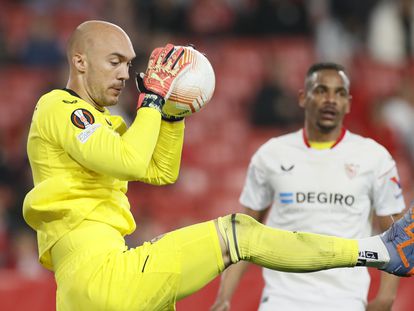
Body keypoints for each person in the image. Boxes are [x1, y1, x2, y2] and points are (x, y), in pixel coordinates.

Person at [22, 21, 414, 311]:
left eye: (128, 63)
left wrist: (172, 114)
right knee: (239, 232)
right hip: (102, 279)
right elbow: (129, 160)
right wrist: (154, 101)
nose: (126, 74)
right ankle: (379, 250)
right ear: (80, 61)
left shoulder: (105, 123)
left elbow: (160, 172)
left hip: (98, 284)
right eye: (114, 62)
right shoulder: (58, 107)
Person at [211, 62, 406, 311]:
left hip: (345, 300)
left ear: (348, 103)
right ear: (303, 98)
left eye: (339, 93)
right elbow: (244, 233)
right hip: (281, 299)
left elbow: (395, 235)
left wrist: (385, 299)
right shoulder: (270, 154)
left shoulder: (375, 158)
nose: (330, 100)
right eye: (321, 90)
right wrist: (223, 297)